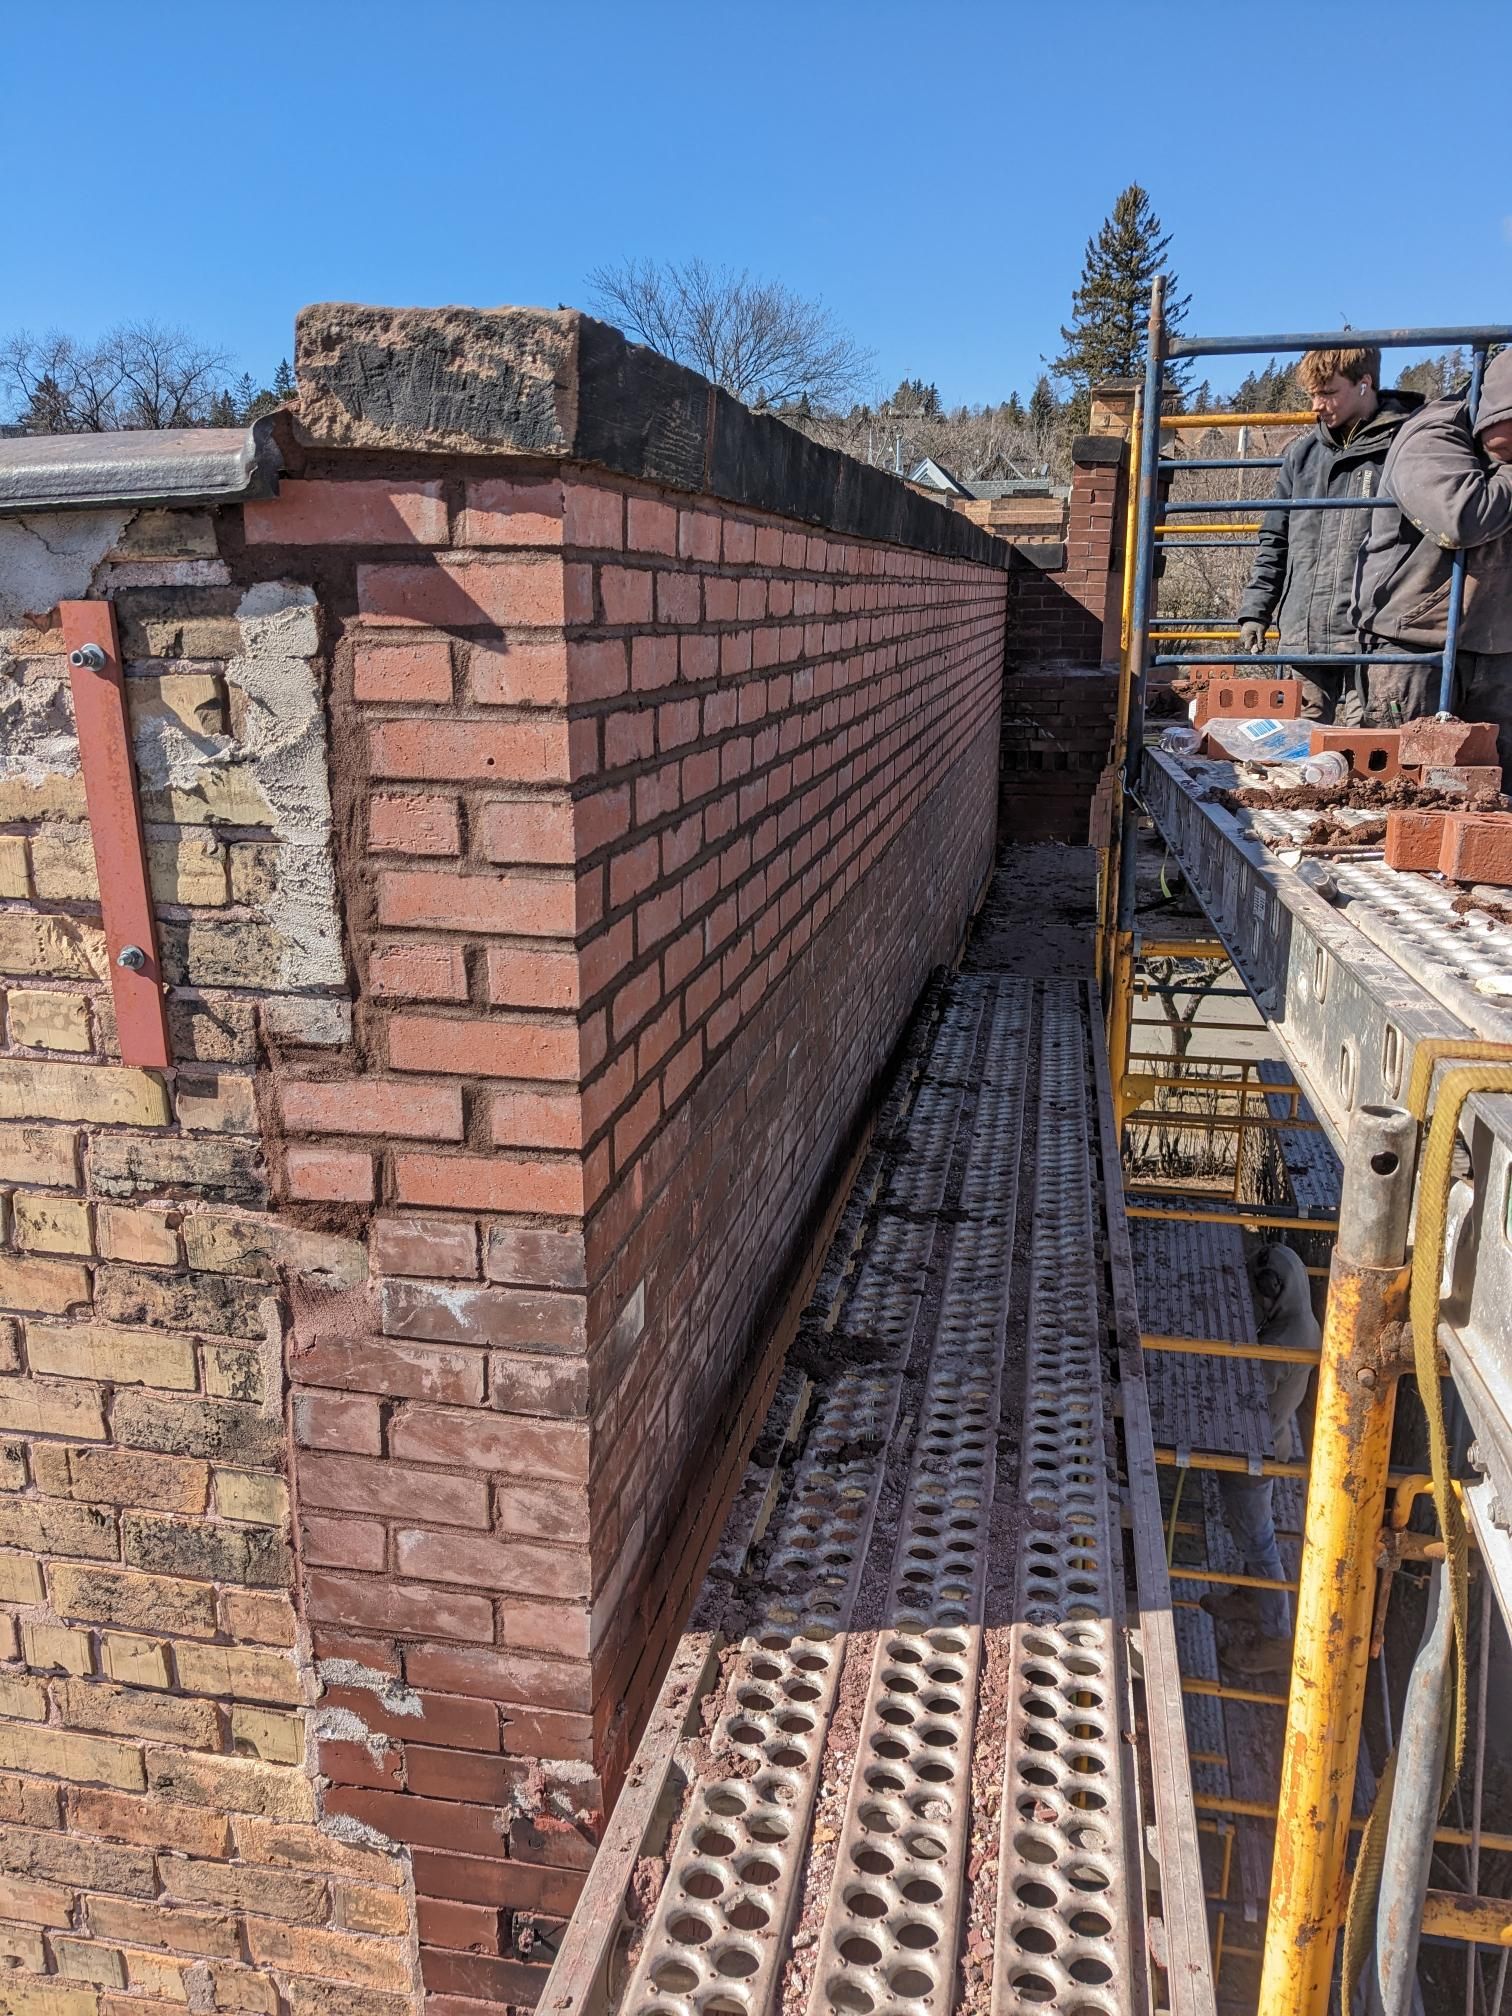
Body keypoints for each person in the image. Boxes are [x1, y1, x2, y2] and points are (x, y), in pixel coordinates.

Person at [1352, 347, 1512, 785]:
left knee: (1492, 796)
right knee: (1402, 787)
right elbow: (1461, 517)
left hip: (1498, 649)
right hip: (1416, 645)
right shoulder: (1432, 433)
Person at [1237, 346, 1421, 721]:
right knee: (1297, 747)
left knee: (1365, 746)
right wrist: (1255, 611)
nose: (1317, 406)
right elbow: (1276, 538)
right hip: (1304, 628)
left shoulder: (1407, 448)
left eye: (1328, 393)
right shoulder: (1301, 457)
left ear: (1364, 384)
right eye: (1312, 395)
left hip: (1373, 636)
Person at [1202, 1242, 1318, 1677]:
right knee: (1250, 1534)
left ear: (1276, 1290)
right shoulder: (1295, 1319)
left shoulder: (1287, 1339)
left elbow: (1243, 1383)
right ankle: (1251, 1597)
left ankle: (1278, 1637)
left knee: (1258, 1540)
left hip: (1257, 1450)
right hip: (1263, 1440)